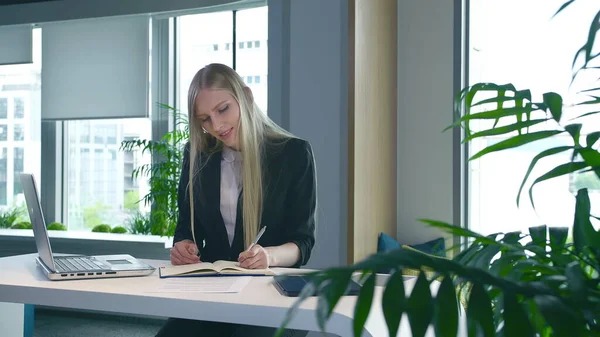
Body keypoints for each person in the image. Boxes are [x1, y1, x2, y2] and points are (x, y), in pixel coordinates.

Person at [155, 63, 317, 337]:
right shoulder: (198, 157)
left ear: (246, 97)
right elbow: (185, 227)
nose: (216, 126)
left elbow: (303, 243)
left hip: (271, 298)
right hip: (212, 294)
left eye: (222, 109)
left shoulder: (294, 154)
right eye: (204, 119)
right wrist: (183, 246)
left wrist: (269, 256)